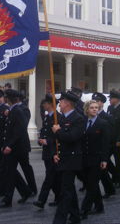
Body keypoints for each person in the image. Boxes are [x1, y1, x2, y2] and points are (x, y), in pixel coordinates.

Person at [0, 89, 34, 208]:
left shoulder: (17, 110)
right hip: (13, 146)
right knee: (9, 171)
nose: (5, 99)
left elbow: (19, 130)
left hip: (17, 147)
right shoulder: (13, 110)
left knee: (10, 172)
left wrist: (9, 145)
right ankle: (25, 191)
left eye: (6, 97)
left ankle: (8, 199)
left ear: (10, 99)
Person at [51, 90, 85, 224]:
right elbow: (55, 140)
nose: (59, 103)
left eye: (61, 101)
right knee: (68, 189)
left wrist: (58, 131)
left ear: (67, 103)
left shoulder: (78, 118)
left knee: (65, 191)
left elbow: (72, 138)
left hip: (72, 159)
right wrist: (55, 153)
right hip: (61, 158)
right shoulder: (61, 118)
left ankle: (59, 220)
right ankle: (75, 216)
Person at [80, 100, 110, 219]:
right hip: (84, 158)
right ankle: (99, 206)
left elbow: (105, 143)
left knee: (92, 185)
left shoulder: (103, 123)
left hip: (97, 159)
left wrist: (104, 159)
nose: (94, 109)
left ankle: (84, 209)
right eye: (92, 107)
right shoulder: (82, 122)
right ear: (87, 109)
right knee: (90, 184)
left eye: (96, 107)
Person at [34, 95, 61, 209]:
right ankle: (59, 198)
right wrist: (41, 140)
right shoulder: (47, 117)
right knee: (54, 177)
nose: (43, 105)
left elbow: (59, 136)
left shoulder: (57, 117)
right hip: (47, 151)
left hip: (53, 151)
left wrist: (48, 141)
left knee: (49, 177)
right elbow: (45, 132)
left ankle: (41, 200)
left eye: (44, 103)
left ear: (50, 104)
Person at [92, 92, 116, 198]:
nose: (95, 104)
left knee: (103, 169)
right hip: (95, 147)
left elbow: (110, 135)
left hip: (104, 147)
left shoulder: (107, 117)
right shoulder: (91, 116)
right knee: (103, 170)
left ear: (102, 103)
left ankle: (110, 187)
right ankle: (111, 186)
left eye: (97, 101)